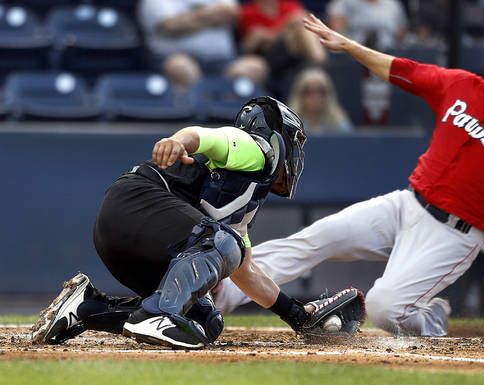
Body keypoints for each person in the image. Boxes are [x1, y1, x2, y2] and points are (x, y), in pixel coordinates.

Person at [214, 18, 484, 336]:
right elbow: (398, 68)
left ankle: (428, 320)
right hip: (406, 204)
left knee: (382, 308)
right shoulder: (459, 85)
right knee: (315, 238)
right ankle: (221, 297)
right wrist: (348, 45)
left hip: (454, 235)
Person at [31, 97, 357, 349]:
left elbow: (243, 269)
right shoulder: (255, 149)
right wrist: (178, 140)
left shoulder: (238, 199)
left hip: (124, 230)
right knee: (221, 243)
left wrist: (297, 316)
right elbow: (203, 136)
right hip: (136, 205)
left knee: (205, 319)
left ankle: (86, 309)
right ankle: (158, 314)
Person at [138, 0, 269, 90]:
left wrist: (190, 18)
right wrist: (211, 17)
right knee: (180, 66)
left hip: (223, 63)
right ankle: (196, 116)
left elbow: (230, 13)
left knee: (255, 66)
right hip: (176, 59)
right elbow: (171, 26)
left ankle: (229, 116)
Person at [237, 0, 326, 88]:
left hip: (293, 49)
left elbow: (305, 18)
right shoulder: (248, 12)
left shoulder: (287, 5)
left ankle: (318, 61)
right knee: (298, 27)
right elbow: (252, 42)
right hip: (268, 57)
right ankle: (320, 63)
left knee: (301, 29)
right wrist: (287, 24)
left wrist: (277, 31)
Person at [287, 67, 353, 134]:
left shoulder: (338, 122)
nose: (315, 97)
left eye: (320, 91)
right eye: (308, 92)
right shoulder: (289, 123)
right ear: (299, 95)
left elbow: (350, 142)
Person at [326, 0, 408, 51]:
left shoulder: (392, 4)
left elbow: (401, 31)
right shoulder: (345, 3)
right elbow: (336, 28)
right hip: (356, 52)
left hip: (389, 51)